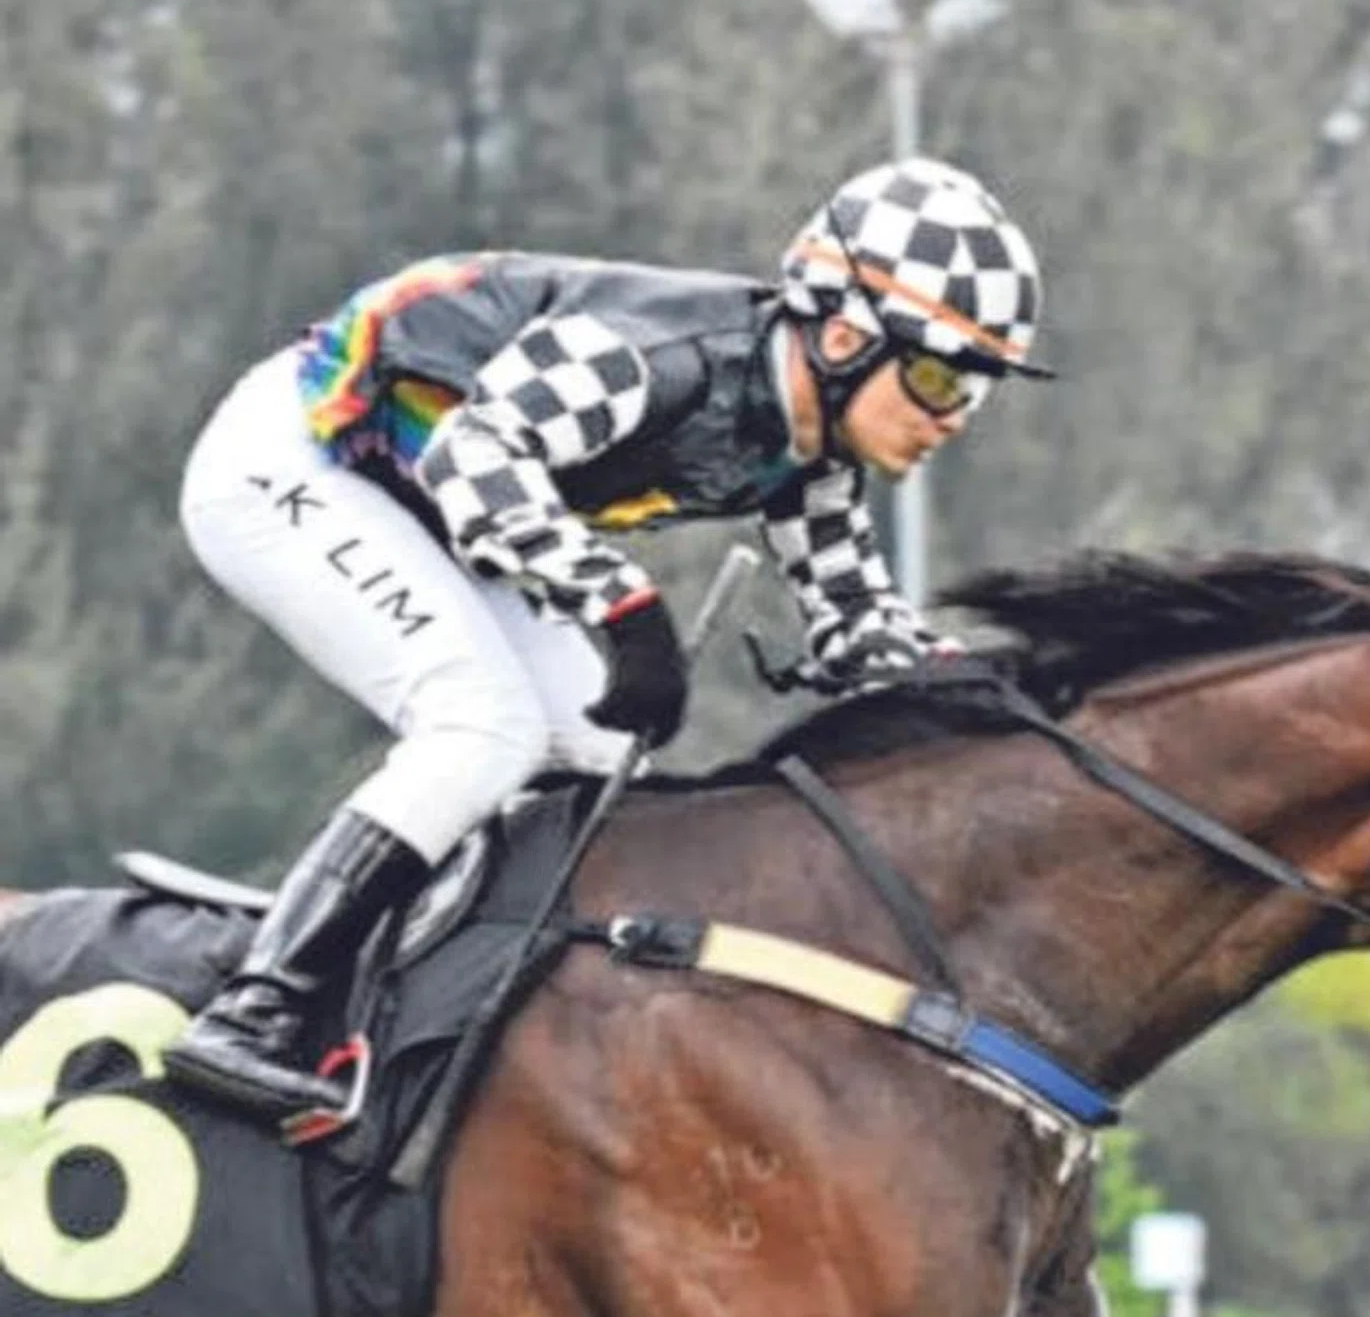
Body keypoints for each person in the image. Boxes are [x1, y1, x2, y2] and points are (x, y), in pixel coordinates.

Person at [160, 156, 1050, 1123]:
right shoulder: (658, 355)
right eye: (935, 377)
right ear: (843, 337)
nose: (953, 418)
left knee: (591, 744)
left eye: (979, 392)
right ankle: (254, 1012)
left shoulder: (813, 453)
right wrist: (622, 603)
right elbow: (475, 456)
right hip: (301, 457)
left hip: (419, 505)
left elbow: (861, 627)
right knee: (481, 727)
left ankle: (420, 1010)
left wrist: (1009, 695)